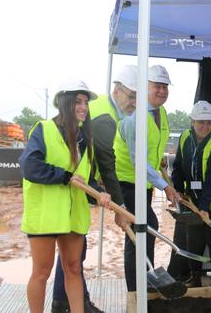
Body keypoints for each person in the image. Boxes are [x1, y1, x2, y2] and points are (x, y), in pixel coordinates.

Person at [51, 66, 137, 313]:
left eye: (136, 98)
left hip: (80, 182)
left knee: (75, 246)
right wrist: (120, 208)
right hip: (71, 184)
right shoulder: (105, 118)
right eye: (130, 96)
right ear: (117, 91)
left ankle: (68, 299)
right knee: (74, 247)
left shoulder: (109, 114)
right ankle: (65, 302)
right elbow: (107, 163)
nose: (133, 102)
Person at [20, 80, 111, 313]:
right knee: (41, 272)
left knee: (73, 268)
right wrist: (65, 176)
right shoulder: (43, 129)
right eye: (78, 101)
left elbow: (85, 180)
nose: (83, 107)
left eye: (85, 102)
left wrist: (100, 194)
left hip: (73, 215)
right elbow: (30, 167)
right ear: (64, 102)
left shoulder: (84, 139)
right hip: (46, 215)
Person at [114, 64, 180, 292]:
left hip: (144, 183)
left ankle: (145, 279)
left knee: (145, 229)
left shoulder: (160, 113)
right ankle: (136, 289)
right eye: (157, 86)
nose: (162, 91)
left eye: (165, 87)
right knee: (141, 229)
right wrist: (165, 187)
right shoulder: (134, 116)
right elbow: (137, 160)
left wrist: (160, 162)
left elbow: (152, 147)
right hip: (127, 181)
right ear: (145, 87)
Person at [169, 101, 211, 287]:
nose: (205, 126)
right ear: (192, 121)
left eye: (209, 123)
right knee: (194, 240)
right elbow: (178, 166)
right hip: (193, 198)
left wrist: (204, 207)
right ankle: (195, 278)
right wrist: (179, 189)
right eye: (200, 122)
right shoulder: (185, 137)